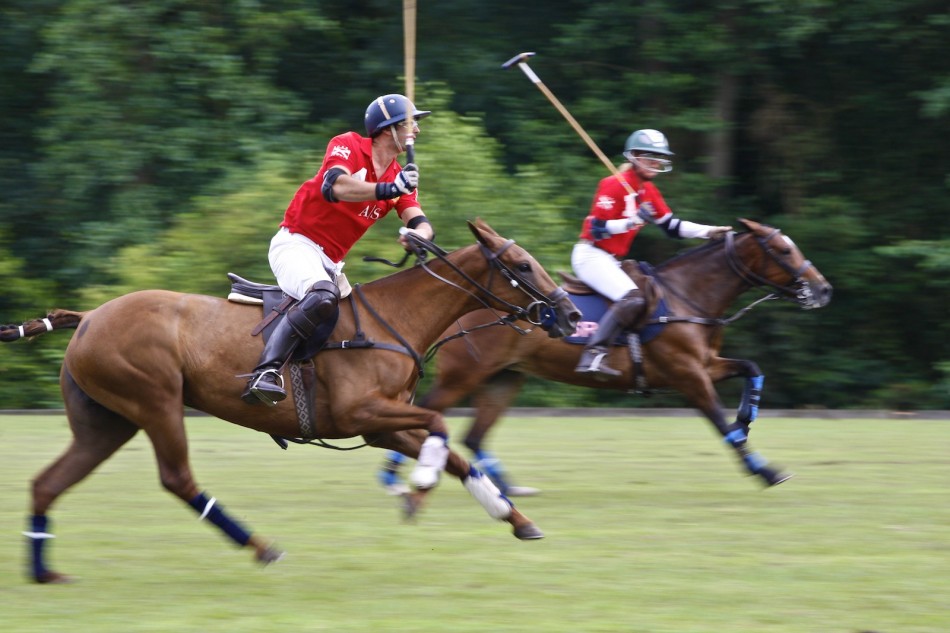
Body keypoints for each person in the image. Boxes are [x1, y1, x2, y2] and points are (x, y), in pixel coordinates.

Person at [241, 94, 435, 405]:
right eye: (411, 124)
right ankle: (265, 372)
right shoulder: (349, 145)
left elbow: (418, 219)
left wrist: (419, 235)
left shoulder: (400, 177)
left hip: (332, 263)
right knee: (321, 295)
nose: (417, 130)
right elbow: (335, 187)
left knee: (356, 323)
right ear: (389, 128)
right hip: (296, 244)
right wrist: (390, 188)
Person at [573, 128, 732, 379]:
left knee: (649, 297)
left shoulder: (647, 191)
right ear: (634, 156)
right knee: (633, 298)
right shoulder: (613, 184)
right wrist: (631, 221)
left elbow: (671, 226)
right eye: (650, 157)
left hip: (612, 260)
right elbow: (596, 229)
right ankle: (593, 355)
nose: (656, 163)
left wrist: (709, 231)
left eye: (659, 158)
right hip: (591, 254)